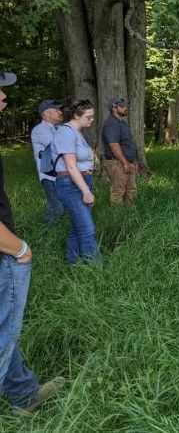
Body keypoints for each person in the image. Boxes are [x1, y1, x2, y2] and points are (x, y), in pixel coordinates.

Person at [0, 72, 65, 414]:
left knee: (4, 328)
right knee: (3, 331)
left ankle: (24, 395)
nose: (3, 96)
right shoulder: (43, 131)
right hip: (6, 249)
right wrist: (19, 249)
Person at [52, 99, 101, 264]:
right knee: (87, 228)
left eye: (92, 117)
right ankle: (95, 269)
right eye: (88, 117)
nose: (92, 120)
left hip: (83, 181)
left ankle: (73, 263)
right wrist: (86, 191)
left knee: (77, 227)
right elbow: (71, 166)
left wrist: (88, 186)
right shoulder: (66, 132)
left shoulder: (78, 133)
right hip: (70, 184)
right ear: (76, 115)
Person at [30, 100, 64, 224]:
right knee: (56, 207)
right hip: (49, 175)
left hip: (60, 174)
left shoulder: (58, 128)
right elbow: (59, 147)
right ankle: (48, 231)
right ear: (46, 114)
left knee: (61, 206)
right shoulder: (40, 129)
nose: (60, 112)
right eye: (57, 110)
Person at [101, 97, 138, 207]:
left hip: (127, 162)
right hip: (117, 162)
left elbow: (128, 144)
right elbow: (114, 144)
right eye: (122, 106)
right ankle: (117, 219)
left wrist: (133, 161)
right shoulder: (111, 123)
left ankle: (130, 215)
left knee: (131, 189)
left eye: (125, 105)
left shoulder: (122, 123)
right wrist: (125, 162)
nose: (125, 108)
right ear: (114, 108)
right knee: (118, 191)